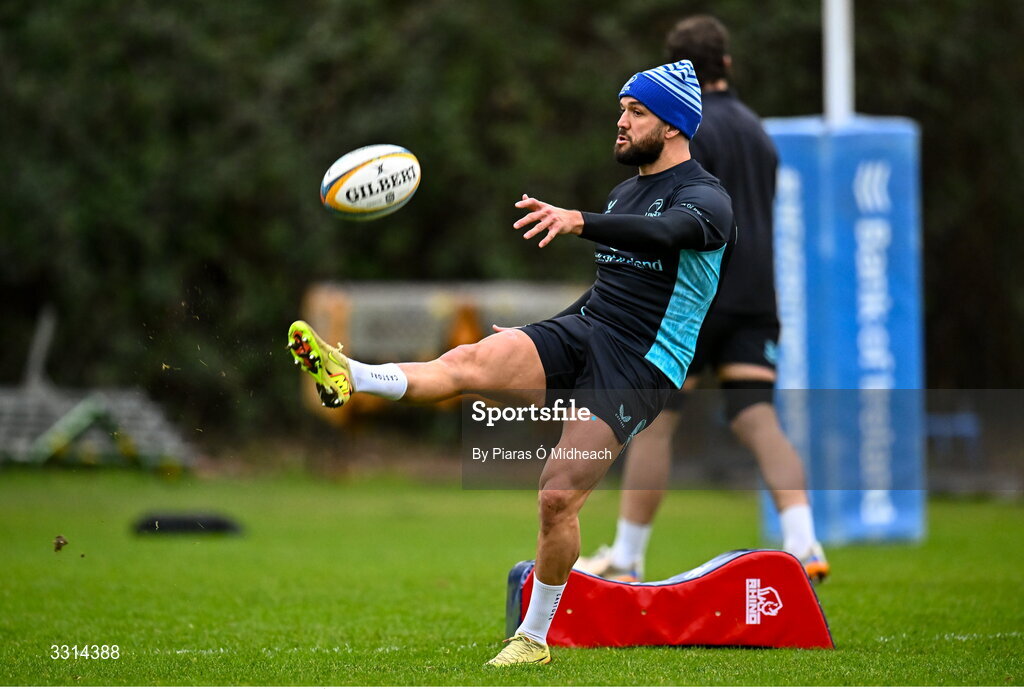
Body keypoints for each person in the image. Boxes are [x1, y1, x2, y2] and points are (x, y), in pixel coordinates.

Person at [287, 60, 733, 666]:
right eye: (622, 109)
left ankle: (534, 639)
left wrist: (580, 221)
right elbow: (612, 285)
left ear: (674, 126)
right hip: (588, 328)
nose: (621, 122)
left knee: (557, 497)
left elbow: (669, 234)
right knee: (469, 361)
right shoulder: (625, 192)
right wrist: (541, 332)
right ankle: (351, 373)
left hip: (642, 362)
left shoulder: (706, 198)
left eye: (637, 112)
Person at [575, 15, 829, 585]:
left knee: (656, 422)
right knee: (759, 418)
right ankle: (805, 543)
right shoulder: (761, 135)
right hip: (757, 297)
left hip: (696, 297)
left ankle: (628, 555)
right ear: (729, 65)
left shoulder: (684, 128)